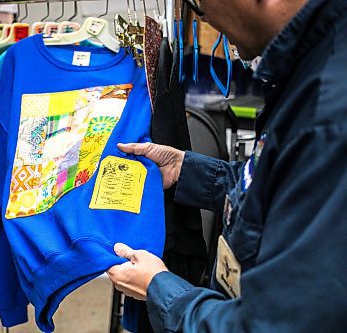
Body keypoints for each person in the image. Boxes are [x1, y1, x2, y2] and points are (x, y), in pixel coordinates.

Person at [107, 0, 347, 331]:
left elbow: (270, 325)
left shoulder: (328, 113)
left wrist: (159, 289)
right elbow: (280, 188)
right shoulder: (314, 70)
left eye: (198, 3)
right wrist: (184, 169)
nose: (205, 19)